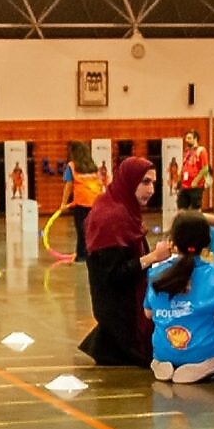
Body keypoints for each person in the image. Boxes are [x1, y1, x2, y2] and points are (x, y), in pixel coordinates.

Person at [79, 157, 170, 366]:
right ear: (129, 181)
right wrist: (153, 257)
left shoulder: (120, 208)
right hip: (120, 309)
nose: (151, 190)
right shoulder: (111, 217)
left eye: (153, 183)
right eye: (145, 182)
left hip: (122, 304)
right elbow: (113, 276)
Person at [144, 212, 214, 383]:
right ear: (207, 242)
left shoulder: (155, 272)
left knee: (162, 344)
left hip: (164, 348)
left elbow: (148, 313)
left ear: (173, 242)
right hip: (204, 350)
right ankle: (203, 364)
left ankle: (161, 362)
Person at [59, 141, 103, 261]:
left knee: (82, 229)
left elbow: (68, 185)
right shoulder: (93, 166)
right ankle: (95, 253)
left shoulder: (72, 166)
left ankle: (82, 255)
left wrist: (63, 203)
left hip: (82, 203)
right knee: (93, 229)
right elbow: (100, 184)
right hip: (96, 202)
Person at [177, 131, 209, 210]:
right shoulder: (187, 151)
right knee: (181, 208)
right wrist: (179, 179)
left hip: (195, 186)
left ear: (195, 139)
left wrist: (196, 181)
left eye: (189, 138)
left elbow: (205, 168)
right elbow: (184, 166)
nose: (186, 140)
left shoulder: (201, 150)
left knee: (195, 209)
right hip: (184, 185)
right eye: (186, 138)